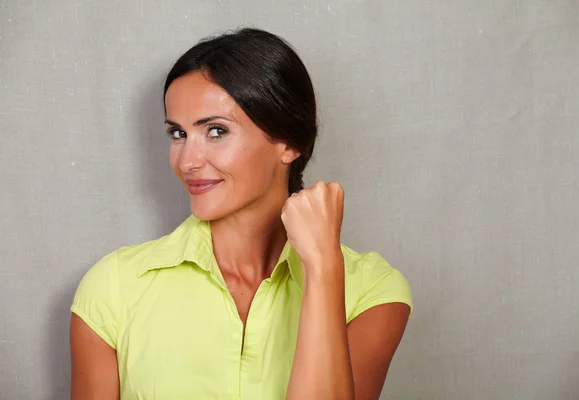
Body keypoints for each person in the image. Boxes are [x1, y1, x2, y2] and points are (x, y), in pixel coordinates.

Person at [70, 27, 412, 400]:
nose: (187, 161)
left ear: (289, 143)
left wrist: (323, 269)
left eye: (216, 131)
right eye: (178, 134)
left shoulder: (372, 291)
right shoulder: (113, 288)